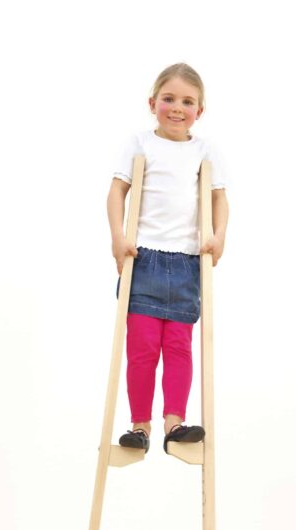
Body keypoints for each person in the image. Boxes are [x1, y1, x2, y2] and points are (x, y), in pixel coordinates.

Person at [107, 62, 229, 454]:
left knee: (178, 347)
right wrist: (118, 237)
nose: (177, 108)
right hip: (144, 258)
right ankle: (139, 426)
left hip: (186, 264)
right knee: (143, 348)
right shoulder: (140, 143)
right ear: (152, 103)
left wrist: (219, 235)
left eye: (187, 102)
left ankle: (174, 424)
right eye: (169, 99)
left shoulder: (204, 150)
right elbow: (117, 191)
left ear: (200, 110)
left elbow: (219, 198)